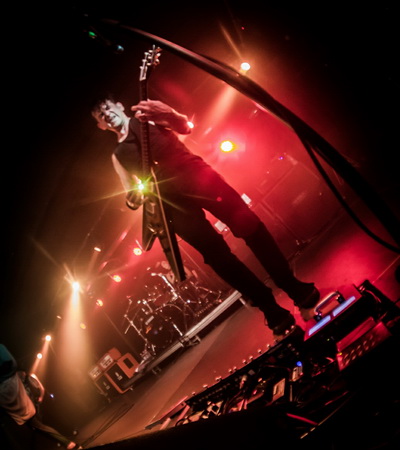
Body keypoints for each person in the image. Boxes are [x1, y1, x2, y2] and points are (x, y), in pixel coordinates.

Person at [91, 97, 320, 339]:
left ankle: (294, 288)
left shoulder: (147, 118)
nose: (106, 114)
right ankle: (272, 311)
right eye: (100, 115)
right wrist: (134, 199)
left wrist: (170, 114)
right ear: (101, 126)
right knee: (217, 257)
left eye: (107, 107)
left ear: (119, 105)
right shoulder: (118, 156)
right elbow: (130, 192)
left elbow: (184, 128)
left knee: (248, 225)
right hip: (171, 205)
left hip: (197, 177)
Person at [0, 344, 79, 450]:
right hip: (26, 404)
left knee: (41, 426)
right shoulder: (16, 377)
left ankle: (67, 442)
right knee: (39, 427)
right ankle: (65, 442)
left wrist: (41, 398)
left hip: (28, 406)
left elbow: (40, 388)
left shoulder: (26, 377)